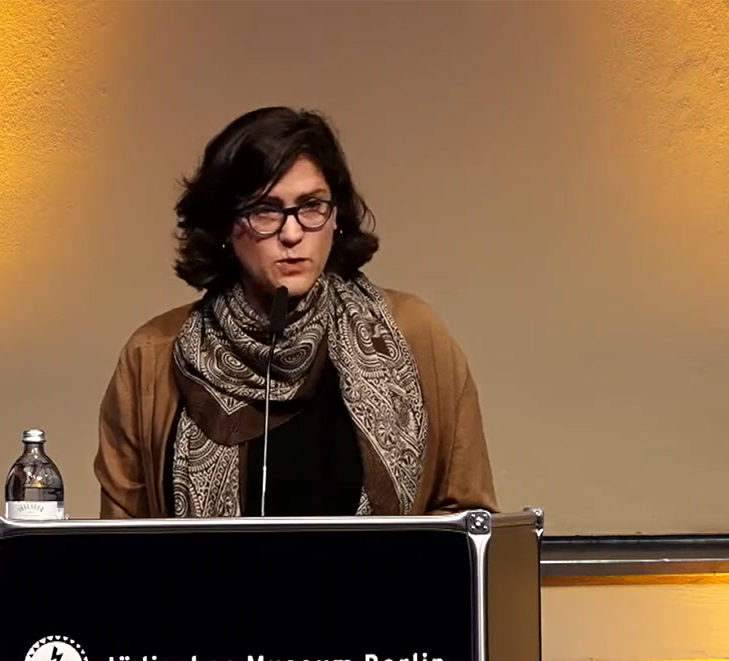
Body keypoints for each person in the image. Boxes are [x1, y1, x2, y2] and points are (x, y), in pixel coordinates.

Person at [94, 106, 498, 519]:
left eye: (311, 206)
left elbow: (467, 519)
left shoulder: (413, 332)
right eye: (265, 210)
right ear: (224, 228)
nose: (292, 233)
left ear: (335, 217)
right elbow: (123, 548)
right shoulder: (152, 356)